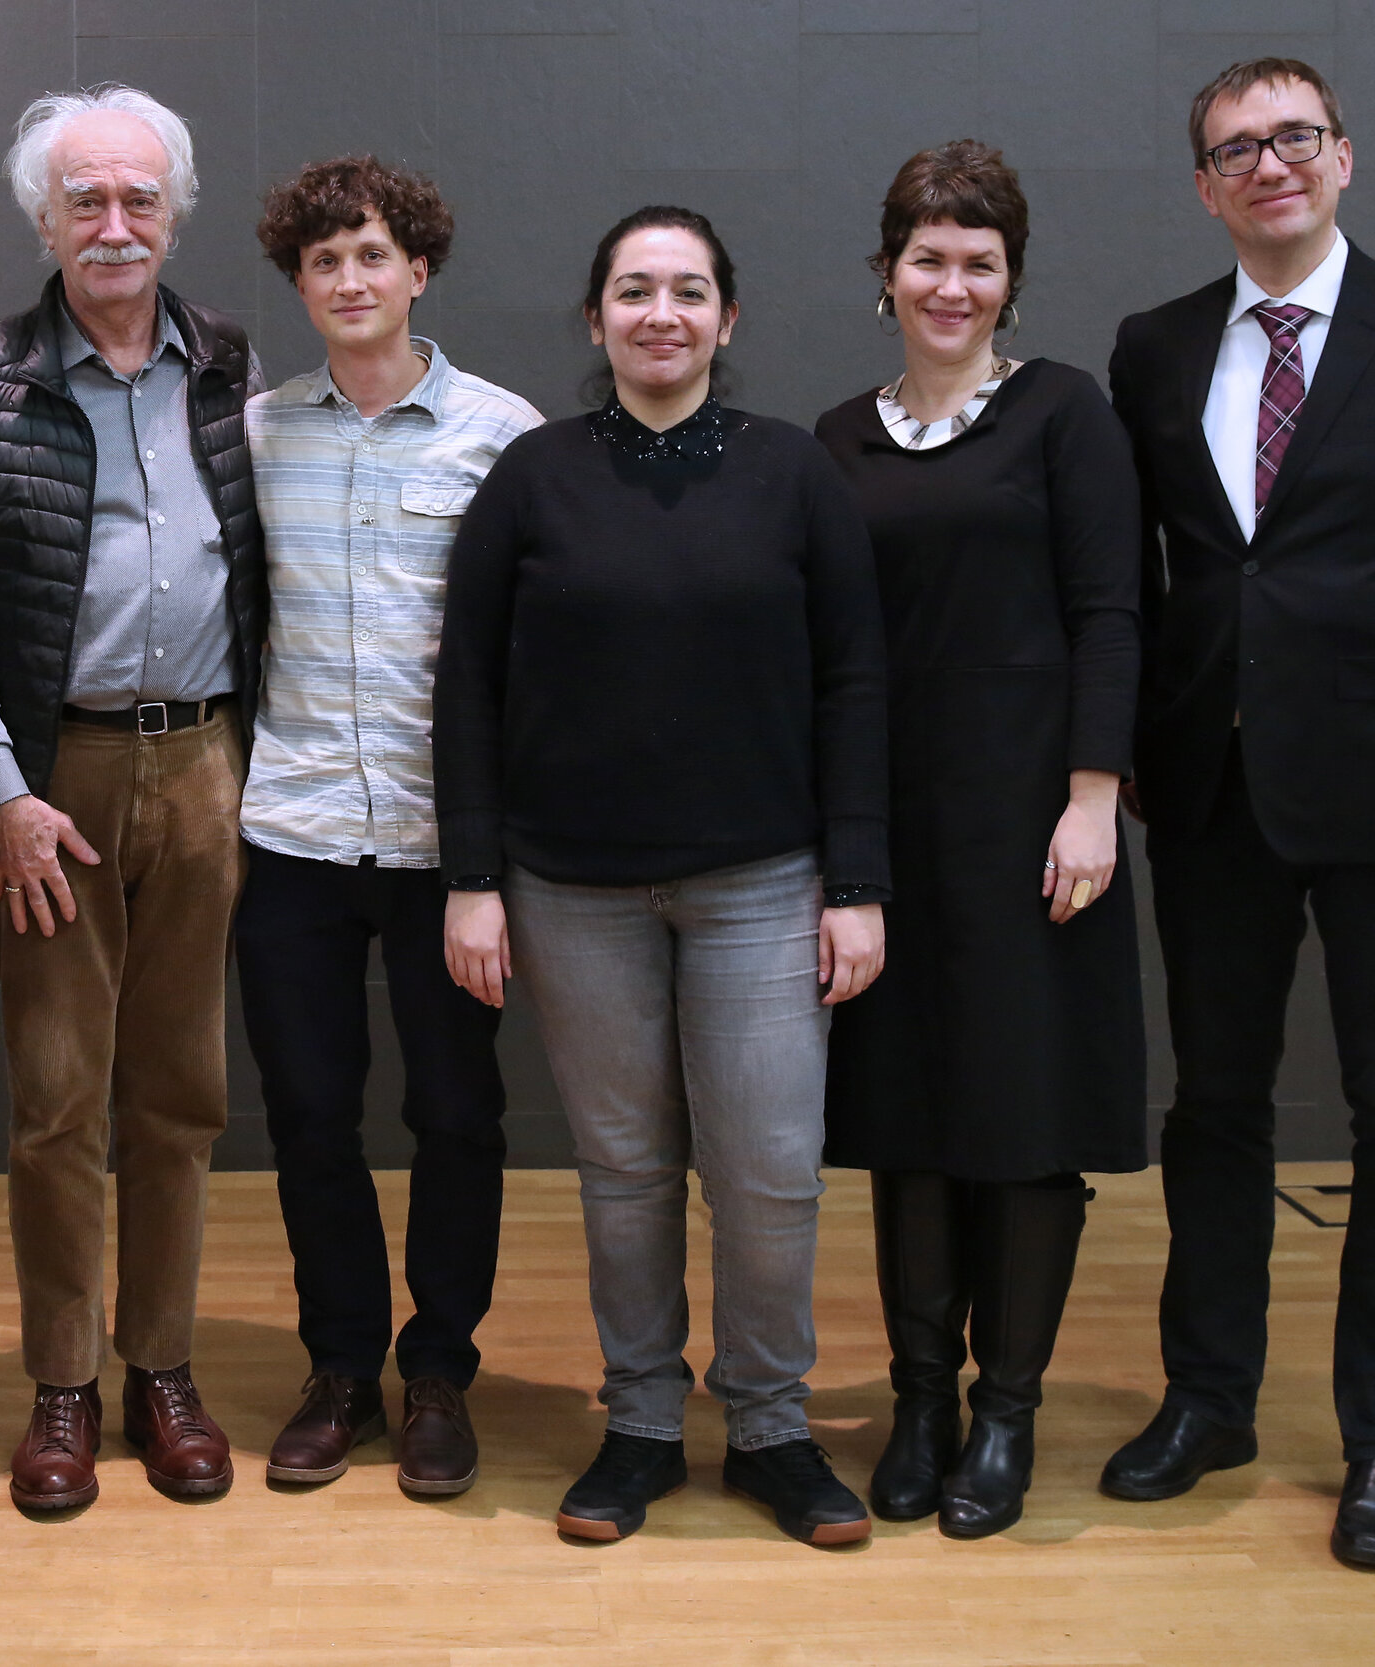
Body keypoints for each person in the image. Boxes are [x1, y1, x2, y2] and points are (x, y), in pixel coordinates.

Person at [1101, 59, 1375, 1569]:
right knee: (1212, 1109)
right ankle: (1209, 1398)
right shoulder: (1155, 350)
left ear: (1344, 158)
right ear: (1207, 184)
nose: (1268, 163)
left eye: (1294, 137)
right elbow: (1159, 584)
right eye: (1236, 148)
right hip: (1212, 796)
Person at [435, 206, 890, 1548]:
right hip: (571, 889)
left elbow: (857, 680)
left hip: (762, 881)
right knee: (625, 1170)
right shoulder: (533, 476)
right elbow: (465, 686)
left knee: (767, 1170)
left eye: (688, 291)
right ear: (595, 319)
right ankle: (640, 1420)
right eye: (633, 290)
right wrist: (473, 877)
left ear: (727, 319)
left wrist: (855, 879)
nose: (661, 313)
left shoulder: (796, 475)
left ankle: (769, 1425)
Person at [0, 84, 266, 1510]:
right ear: (42, 218)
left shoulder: (230, 364)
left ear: (173, 210)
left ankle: (160, 1370)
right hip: (51, 781)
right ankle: (63, 1388)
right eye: (83, 202)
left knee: (180, 1095)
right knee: (58, 1100)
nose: (112, 226)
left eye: (137, 199)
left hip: (207, 768)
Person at [815, 142, 1146, 1540]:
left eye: (980, 263)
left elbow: (1114, 611)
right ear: (885, 273)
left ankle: (1005, 1411)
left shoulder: (1065, 413)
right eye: (928, 259)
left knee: (1019, 1123)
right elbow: (827, 651)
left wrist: (1093, 795)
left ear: (1011, 282)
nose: (952, 285)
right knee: (908, 1122)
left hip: (1032, 826)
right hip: (893, 828)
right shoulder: (835, 440)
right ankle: (917, 1402)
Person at [238, 157, 540, 1497]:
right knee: (310, 1116)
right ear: (300, 286)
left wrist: (498, 855)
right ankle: (343, 1367)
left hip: (442, 850)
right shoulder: (253, 436)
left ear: (419, 269)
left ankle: (439, 1372)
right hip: (292, 831)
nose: (349, 281)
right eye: (323, 263)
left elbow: (530, 651)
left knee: (457, 1113)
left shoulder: (503, 434)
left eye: (371, 255)